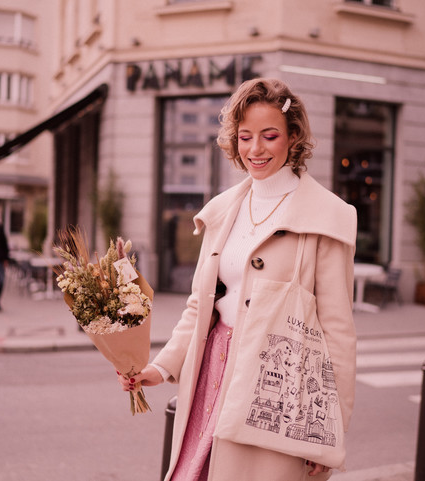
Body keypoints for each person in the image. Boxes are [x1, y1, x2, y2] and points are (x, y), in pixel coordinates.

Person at [118, 78, 357, 481]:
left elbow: (337, 333)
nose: (255, 149)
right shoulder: (224, 210)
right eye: (245, 137)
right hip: (210, 371)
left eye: (269, 136)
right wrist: (159, 368)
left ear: (293, 136)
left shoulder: (327, 217)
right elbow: (200, 305)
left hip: (273, 389)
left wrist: (329, 435)